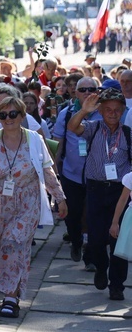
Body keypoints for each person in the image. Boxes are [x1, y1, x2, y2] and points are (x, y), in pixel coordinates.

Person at [0, 97, 67, 318]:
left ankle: (11, 297)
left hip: (27, 202)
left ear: (22, 116)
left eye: (13, 114)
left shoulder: (34, 140)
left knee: (14, 243)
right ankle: (7, 283)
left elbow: (47, 171)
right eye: (3, 115)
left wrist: (60, 198)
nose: (8, 119)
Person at [67, 88, 131, 301]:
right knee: (95, 239)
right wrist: (84, 111)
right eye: (108, 110)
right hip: (95, 190)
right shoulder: (93, 128)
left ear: (123, 111)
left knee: (118, 240)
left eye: (117, 110)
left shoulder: (128, 134)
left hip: (120, 192)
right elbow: (72, 127)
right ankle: (101, 267)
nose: (112, 113)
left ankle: (117, 286)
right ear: (101, 111)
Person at [53, 77, 102, 268]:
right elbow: (58, 144)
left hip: (96, 176)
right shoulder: (66, 114)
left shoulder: (104, 113)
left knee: (93, 215)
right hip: (71, 174)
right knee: (72, 214)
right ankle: (75, 241)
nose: (88, 92)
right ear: (76, 92)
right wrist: (54, 173)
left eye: (92, 89)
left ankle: (90, 256)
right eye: (83, 89)